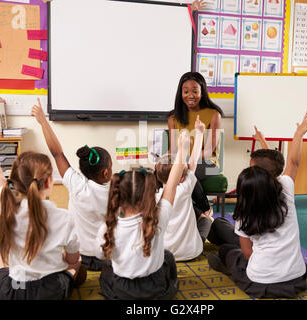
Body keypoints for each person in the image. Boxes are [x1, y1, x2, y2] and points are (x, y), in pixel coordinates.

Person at [207, 111, 307, 299]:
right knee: (230, 238)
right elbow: (290, 162)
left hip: (262, 282)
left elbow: (248, 253)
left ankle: (227, 267)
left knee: (229, 252)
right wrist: (298, 135)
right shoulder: (286, 188)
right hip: (296, 277)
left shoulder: (245, 209)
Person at [0, 117, 85, 300]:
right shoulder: (65, 218)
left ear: (15, 183)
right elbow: (73, 260)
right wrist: (68, 263)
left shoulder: (8, 207)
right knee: (76, 262)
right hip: (52, 293)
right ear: (49, 182)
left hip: (15, 294)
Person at [93, 132, 190, 300]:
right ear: (148, 195)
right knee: (167, 256)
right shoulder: (159, 218)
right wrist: (182, 149)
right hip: (154, 289)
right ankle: (169, 288)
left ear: (118, 197)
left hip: (122, 290)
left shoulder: (107, 228)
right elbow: (171, 185)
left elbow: (100, 255)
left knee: (107, 269)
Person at [31, 98, 112, 271]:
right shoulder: (116, 192)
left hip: (79, 256)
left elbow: (57, 153)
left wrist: (43, 121)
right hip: (105, 257)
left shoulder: (77, 185)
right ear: (106, 173)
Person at [168, 71, 224, 220]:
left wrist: (186, 162)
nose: (190, 95)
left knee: (184, 174)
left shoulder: (213, 114)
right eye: (186, 91)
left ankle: (205, 208)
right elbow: (173, 149)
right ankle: (192, 215)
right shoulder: (173, 118)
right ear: (181, 93)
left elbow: (209, 150)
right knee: (165, 173)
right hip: (183, 162)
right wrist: (163, 160)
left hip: (208, 163)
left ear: (202, 92)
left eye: (195, 91)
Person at [155, 115, 211, 261]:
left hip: (163, 253)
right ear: (181, 178)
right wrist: (199, 134)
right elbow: (193, 162)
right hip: (191, 252)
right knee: (206, 221)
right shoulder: (185, 188)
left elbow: (189, 165)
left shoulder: (154, 198)